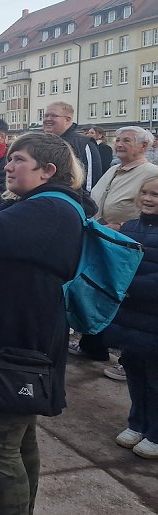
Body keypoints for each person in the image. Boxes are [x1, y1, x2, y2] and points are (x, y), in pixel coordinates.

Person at [0, 132, 91, 514]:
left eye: (19, 160)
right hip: (16, 336)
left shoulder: (48, 209)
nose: (7, 166)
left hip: (16, 342)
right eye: (9, 159)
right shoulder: (36, 204)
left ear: (48, 170)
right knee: (19, 438)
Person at [70, 126, 158, 370]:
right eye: (117, 140)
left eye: (126, 140)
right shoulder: (113, 169)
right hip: (104, 239)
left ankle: (126, 358)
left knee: (125, 300)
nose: (119, 144)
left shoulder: (151, 172)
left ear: (144, 146)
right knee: (99, 290)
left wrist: (123, 226)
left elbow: (146, 207)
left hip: (131, 244)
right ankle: (93, 344)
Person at [102, 176, 158, 460]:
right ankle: (137, 422)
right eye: (145, 193)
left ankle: (155, 431)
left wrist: (128, 286)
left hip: (152, 315)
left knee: (154, 377)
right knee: (134, 372)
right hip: (131, 315)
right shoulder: (131, 228)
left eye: (156, 195)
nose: (148, 199)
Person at [42, 101, 102, 192]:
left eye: (53, 116)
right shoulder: (40, 143)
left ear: (68, 119)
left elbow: (91, 182)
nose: (48, 119)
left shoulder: (84, 144)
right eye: (46, 116)